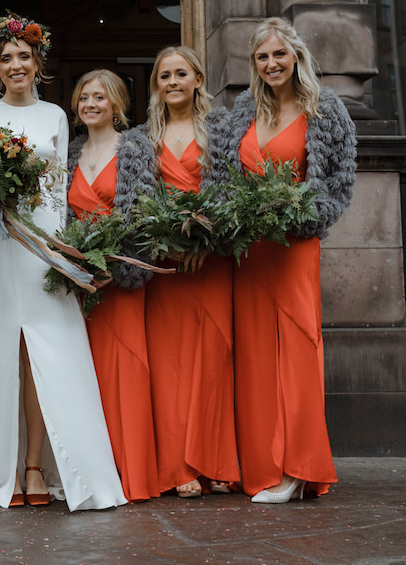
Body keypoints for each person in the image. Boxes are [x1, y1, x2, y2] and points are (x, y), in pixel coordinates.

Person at [0, 13, 127, 511]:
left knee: (43, 349)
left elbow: (57, 192)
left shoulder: (53, 116)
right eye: (5, 58)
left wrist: (66, 249)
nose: (15, 65)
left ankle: (34, 464)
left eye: (24, 56)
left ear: (38, 62)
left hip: (42, 246)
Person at [210, 17, 357, 503]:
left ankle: (298, 467)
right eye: (262, 57)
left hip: (295, 248)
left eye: (279, 54)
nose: (271, 64)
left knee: (296, 350)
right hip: (251, 252)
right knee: (254, 353)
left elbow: (340, 180)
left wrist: (308, 214)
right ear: (253, 63)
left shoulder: (325, 109)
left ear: (295, 56)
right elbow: (219, 177)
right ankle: (264, 466)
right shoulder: (239, 113)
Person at [142, 46, 242, 499]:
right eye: (165, 76)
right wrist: (167, 242)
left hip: (211, 262)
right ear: (157, 86)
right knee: (170, 365)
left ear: (199, 79)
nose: (173, 82)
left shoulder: (222, 130)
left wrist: (208, 240)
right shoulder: (144, 138)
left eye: (181, 73)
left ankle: (217, 459)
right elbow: (137, 202)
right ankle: (179, 467)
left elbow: (235, 190)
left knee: (213, 360)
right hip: (165, 266)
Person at [65, 69, 160, 502]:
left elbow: (145, 212)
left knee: (126, 370)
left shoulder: (135, 149)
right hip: (83, 282)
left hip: (120, 278)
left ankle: (133, 472)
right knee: (86, 378)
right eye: (84, 97)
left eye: (99, 97)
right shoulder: (68, 155)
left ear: (117, 104)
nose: (90, 104)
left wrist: (117, 264)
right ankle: (92, 470)